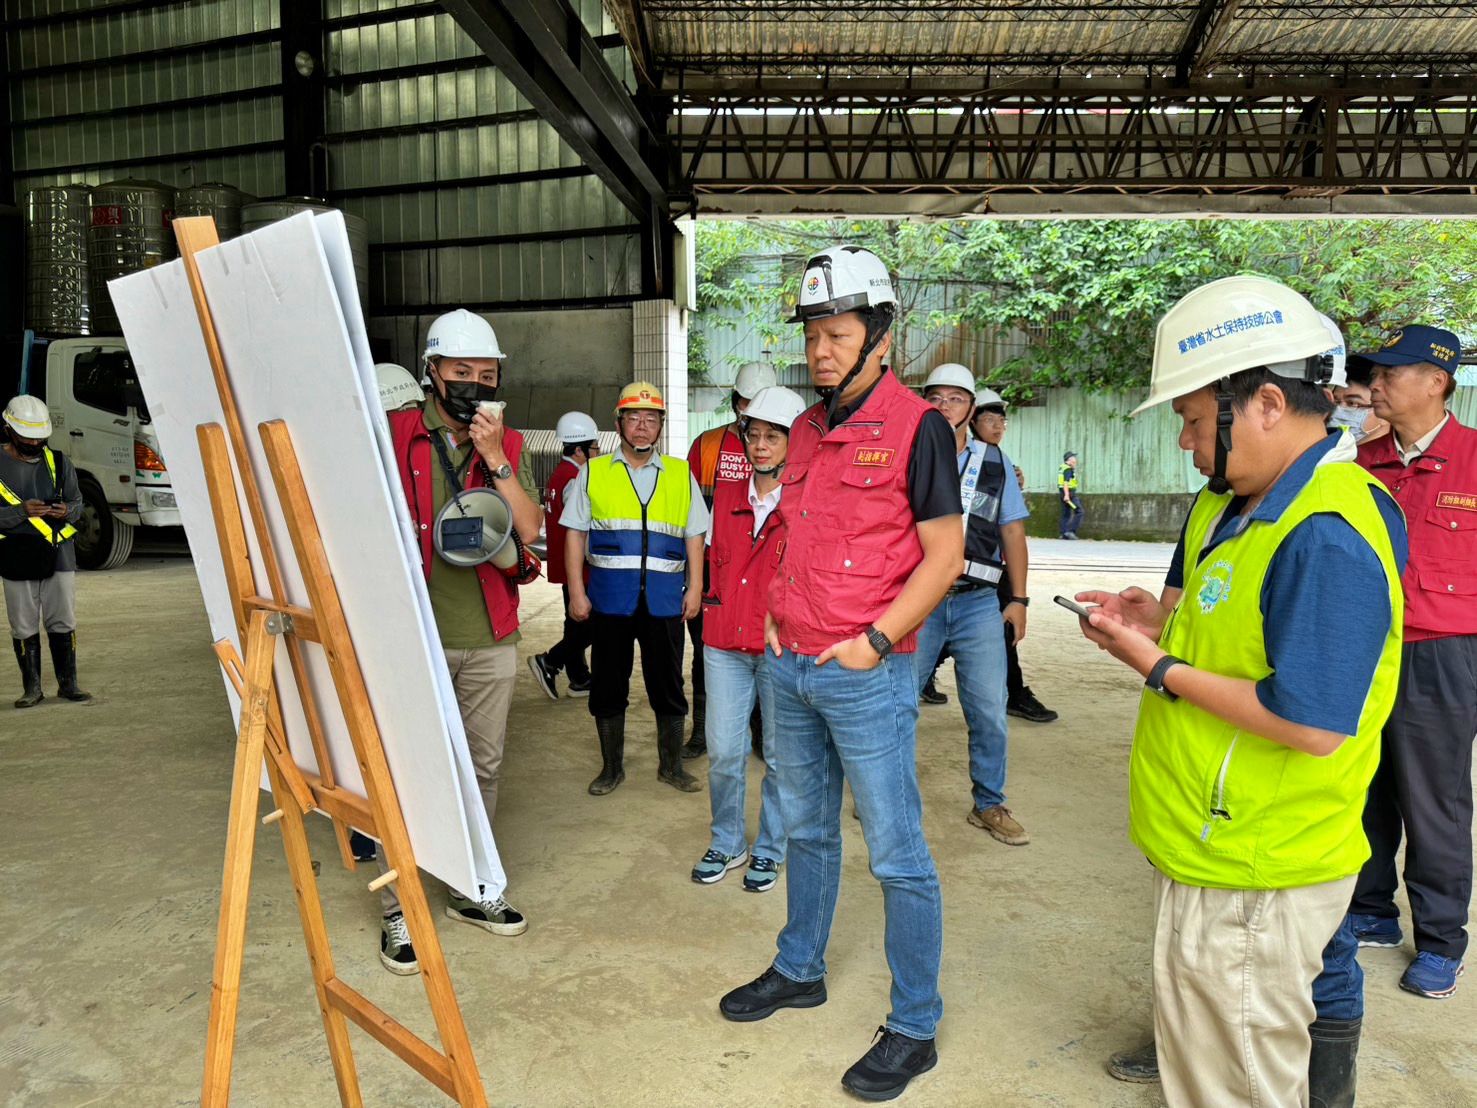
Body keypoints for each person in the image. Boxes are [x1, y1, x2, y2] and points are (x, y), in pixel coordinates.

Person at [1075, 276, 1405, 1107]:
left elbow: (1311, 722)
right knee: (1212, 1067)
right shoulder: (1242, 502)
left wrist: (1153, 666)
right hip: (1217, 844)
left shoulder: (1325, 533)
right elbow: (1235, 622)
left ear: (1263, 402)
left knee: (1241, 1085)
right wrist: (1160, 619)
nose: (1184, 443)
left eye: (1190, 420)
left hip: (1259, 864)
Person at [719, 245, 963, 1102]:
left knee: (896, 853)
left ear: (880, 337)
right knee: (807, 829)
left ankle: (915, 1023)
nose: (821, 350)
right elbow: (801, 525)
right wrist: (781, 609)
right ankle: (799, 967)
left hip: (865, 672)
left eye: (838, 333)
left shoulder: (918, 427)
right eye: (814, 334)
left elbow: (944, 557)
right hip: (792, 663)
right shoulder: (812, 428)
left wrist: (876, 638)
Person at [376, 309, 542, 974]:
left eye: (486, 373)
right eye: (460, 372)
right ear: (432, 372)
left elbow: (528, 529)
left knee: (482, 769)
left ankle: (472, 888)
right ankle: (397, 910)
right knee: (403, 774)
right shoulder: (390, 436)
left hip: (489, 635)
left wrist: (496, 456)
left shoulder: (507, 443)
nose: (474, 384)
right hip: (411, 637)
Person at [1347, 324, 1477, 1001]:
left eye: (1391, 373)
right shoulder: (1358, 464)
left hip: (1441, 654)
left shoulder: (1474, 460)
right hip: (1364, 650)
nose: (1377, 384)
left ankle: (1439, 940)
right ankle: (1370, 909)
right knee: (1362, 783)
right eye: (1375, 373)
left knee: (1434, 801)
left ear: (1436, 381)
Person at [562, 381, 709, 795]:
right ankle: (611, 768)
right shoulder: (593, 473)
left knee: (667, 683)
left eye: (651, 419)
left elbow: (695, 535)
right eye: (633, 418)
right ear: (619, 423)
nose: (642, 426)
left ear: (661, 425)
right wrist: (577, 591)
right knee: (609, 682)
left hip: (664, 600)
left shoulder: (681, 474)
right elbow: (574, 534)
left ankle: (671, 766)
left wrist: (694, 587)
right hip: (610, 600)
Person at [691, 385, 807, 892]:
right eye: (753, 435)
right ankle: (728, 840)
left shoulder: (806, 503)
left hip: (780, 648)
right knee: (724, 750)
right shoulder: (725, 497)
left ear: (793, 442)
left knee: (780, 757)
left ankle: (771, 846)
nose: (761, 446)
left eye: (773, 437)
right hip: (723, 642)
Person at [914, 367, 1033, 846]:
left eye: (956, 399)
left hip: (978, 601)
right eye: (936, 399)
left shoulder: (996, 463)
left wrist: (1019, 600)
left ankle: (989, 802)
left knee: (988, 708)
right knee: (899, 704)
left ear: (971, 408)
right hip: (918, 601)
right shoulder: (911, 455)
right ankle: (888, 793)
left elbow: (1013, 533)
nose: (945, 407)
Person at [683, 361, 778, 758]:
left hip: (766, 570)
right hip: (714, 572)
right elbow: (691, 517)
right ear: (735, 402)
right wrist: (694, 579)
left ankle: (761, 733)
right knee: (710, 654)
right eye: (745, 401)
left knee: (764, 652)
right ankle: (704, 731)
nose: (750, 410)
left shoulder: (788, 447)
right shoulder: (707, 446)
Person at [1, 395, 89, 708]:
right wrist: (21, 512)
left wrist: (67, 510)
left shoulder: (61, 462)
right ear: (9, 429)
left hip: (59, 555)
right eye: (28, 437)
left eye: (40, 437)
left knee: (63, 620)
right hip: (16, 555)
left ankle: (69, 685)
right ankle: (32, 689)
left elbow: (78, 504)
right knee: (23, 624)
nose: (35, 443)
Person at [976, 398, 1057, 725]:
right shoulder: (953, 457)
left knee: (998, 627)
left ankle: (1015, 692)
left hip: (994, 566)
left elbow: (1010, 525)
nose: (997, 427)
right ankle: (1015, 694)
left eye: (1002, 421)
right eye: (990, 420)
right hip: (963, 567)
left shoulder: (1000, 461)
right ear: (972, 420)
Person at [528, 411, 601, 700]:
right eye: (594, 448)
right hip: (580, 566)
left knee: (575, 621)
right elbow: (580, 528)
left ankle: (579, 678)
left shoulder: (560, 474)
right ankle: (550, 660)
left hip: (563, 561)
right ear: (581, 450)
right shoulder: (577, 478)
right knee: (595, 624)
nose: (598, 452)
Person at [1057, 450, 1082, 538]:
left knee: (1066, 513)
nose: (1075, 460)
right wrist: (1067, 495)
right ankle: (1070, 531)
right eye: (1074, 458)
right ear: (1069, 460)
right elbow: (1065, 483)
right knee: (1079, 511)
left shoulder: (1062, 468)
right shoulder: (1068, 469)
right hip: (1070, 494)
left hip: (1062, 493)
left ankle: (1063, 533)